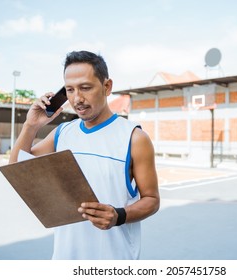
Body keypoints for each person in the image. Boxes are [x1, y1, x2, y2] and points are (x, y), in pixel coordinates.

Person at [9, 50, 160, 259]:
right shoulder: (62, 133)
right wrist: (30, 125)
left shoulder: (134, 137)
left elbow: (152, 199)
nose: (77, 99)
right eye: (69, 90)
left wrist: (119, 215)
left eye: (85, 88)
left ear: (107, 87)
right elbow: (16, 167)